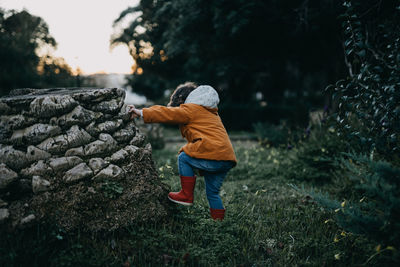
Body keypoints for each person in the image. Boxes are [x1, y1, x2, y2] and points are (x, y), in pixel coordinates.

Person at [128, 82, 237, 220]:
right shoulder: (211, 112)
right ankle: (219, 223)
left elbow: (167, 113)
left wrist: (141, 112)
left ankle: (186, 195)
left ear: (182, 100)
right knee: (213, 193)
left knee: (184, 157)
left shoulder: (191, 109)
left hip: (212, 153)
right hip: (226, 158)